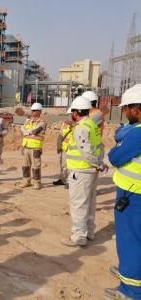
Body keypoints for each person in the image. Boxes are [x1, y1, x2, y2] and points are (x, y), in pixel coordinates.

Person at [105, 84, 141, 299]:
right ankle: (130, 272)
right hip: (135, 193)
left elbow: (115, 157)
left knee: (130, 240)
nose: (124, 113)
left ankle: (130, 290)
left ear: (135, 109)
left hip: (133, 195)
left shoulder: (137, 134)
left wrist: (119, 141)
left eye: (126, 109)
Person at [60, 96, 108, 247]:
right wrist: (99, 163)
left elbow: (86, 151)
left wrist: (98, 164)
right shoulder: (92, 125)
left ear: (76, 112)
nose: (71, 115)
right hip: (90, 171)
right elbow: (100, 147)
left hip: (80, 171)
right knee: (90, 203)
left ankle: (79, 236)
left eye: (72, 112)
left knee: (79, 204)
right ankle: (90, 232)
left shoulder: (81, 127)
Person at [19, 103, 47, 190]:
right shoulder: (28, 121)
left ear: (40, 111)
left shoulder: (42, 123)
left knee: (36, 166)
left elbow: (36, 131)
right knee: (25, 166)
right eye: (32, 110)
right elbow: (22, 129)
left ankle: (37, 183)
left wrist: (27, 132)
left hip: (35, 148)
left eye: (35, 110)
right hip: (26, 146)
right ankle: (26, 181)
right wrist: (28, 132)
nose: (33, 112)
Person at [53, 117, 75, 187]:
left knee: (70, 166)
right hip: (65, 148)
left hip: (72, 149)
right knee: (63, 165)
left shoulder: (78, 125)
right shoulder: (65, 124)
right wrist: (59, 146)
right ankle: (62, 179)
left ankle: (69, 181)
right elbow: (61, 134)